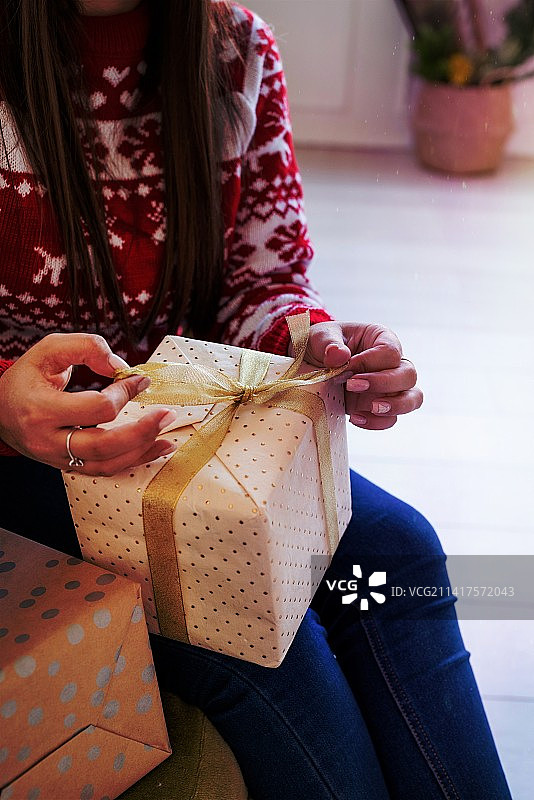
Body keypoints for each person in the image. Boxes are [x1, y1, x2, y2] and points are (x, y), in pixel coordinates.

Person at [0, 2, 512, 798]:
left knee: (399, 550)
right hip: (24, 455)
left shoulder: (236, 50)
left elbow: (260, 279)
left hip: (183, 420)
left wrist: (314, 344)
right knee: (262, 640)